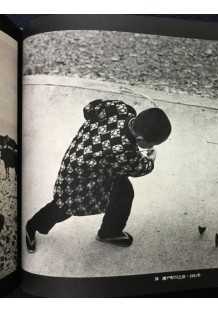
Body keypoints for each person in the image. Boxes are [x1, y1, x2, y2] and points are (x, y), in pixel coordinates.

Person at [25, 99, 172, 253]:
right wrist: (150, 159)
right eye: (151, 144)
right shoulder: (124, 151)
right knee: (66, 206)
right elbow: (139, 169)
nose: (151, 147)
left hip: (81, 155)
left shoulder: (123, 110)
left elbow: (89, 108)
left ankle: (110, 232)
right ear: (140, 139)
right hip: (80, 177)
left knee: (123, 192)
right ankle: (33, 225)